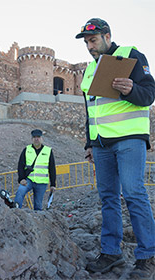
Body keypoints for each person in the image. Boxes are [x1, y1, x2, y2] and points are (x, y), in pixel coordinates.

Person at [76, 18, 155, 278]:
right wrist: (89, 143)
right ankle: (111, 254)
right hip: (101, 144)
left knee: (133, 192)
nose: (90, 46)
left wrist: (132, 88)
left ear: (107, 36)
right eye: (87, 42)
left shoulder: (130, 55)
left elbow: (149, 94)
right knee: (108, 197)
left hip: (130, 138)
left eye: (93, 40)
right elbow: (91, 111)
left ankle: (148, 257)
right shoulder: (89, 70)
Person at [14, 129, 56, 211]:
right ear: (31, 139)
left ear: (42, 138)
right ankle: (16, 212)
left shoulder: (48, 151)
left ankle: (37, 220)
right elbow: (20, 166)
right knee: (20, 193)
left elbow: (52, 168)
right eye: (34, 137)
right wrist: (21, 179)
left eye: (38, 137)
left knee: (38, 205)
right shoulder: (26, 149)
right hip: (29, 180)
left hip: (42, 182)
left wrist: (53, 184)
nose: (36, 139)